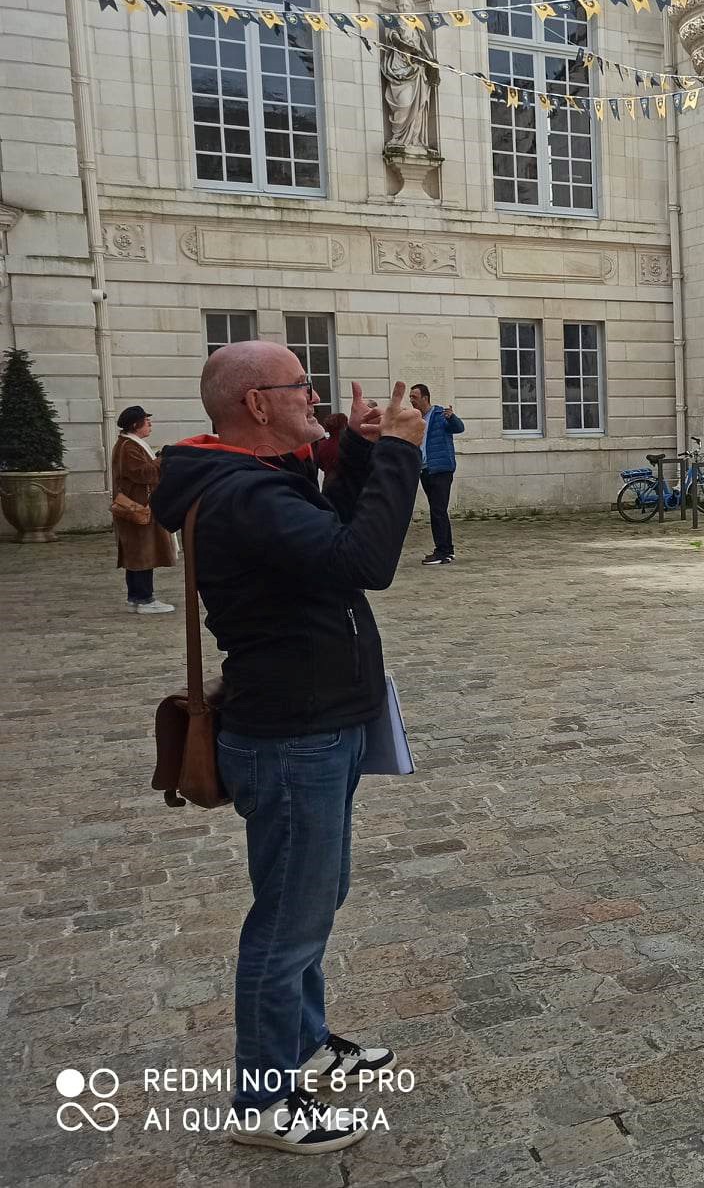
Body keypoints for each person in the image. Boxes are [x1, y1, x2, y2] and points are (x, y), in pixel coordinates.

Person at [153, 343, 424, 1154]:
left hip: (318, 720)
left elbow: (327, 540)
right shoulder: (242, 495)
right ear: (257, 406)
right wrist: (404, 455)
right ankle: (264, 1102)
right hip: (294, 733)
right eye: (299, 386)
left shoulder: (264, 485)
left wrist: (364, 454)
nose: (315, 396)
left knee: (314, 897)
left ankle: (303, 1042)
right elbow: (364, 561)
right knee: (287, 921)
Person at [110, 405, 177, 614]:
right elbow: (142, 473)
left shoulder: (130, 445)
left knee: (137, 553)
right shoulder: (128, 447)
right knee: (142, 553)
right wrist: (162, 459)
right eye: (147, 422)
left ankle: (136, 597)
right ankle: (144, 599)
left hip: (138, 506)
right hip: (136, 508)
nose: (150, 425)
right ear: (135, 425)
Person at [408, 383, 463, 566]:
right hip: (425, 470)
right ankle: (447, 550)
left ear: (425, 398)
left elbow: (459, 427)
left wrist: (452, 417)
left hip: (441, 469)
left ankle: (442, 551)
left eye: (414, 397)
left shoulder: (440, 415)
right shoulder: (415, 419)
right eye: (410, 397)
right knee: (438, 510)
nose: (411, 400)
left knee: (437, 510)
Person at [313, 412, 348, 493]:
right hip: (347, 486)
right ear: (344, 426)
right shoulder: (349, 444)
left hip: (328, 485)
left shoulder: (321, 445)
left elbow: (319, 465)